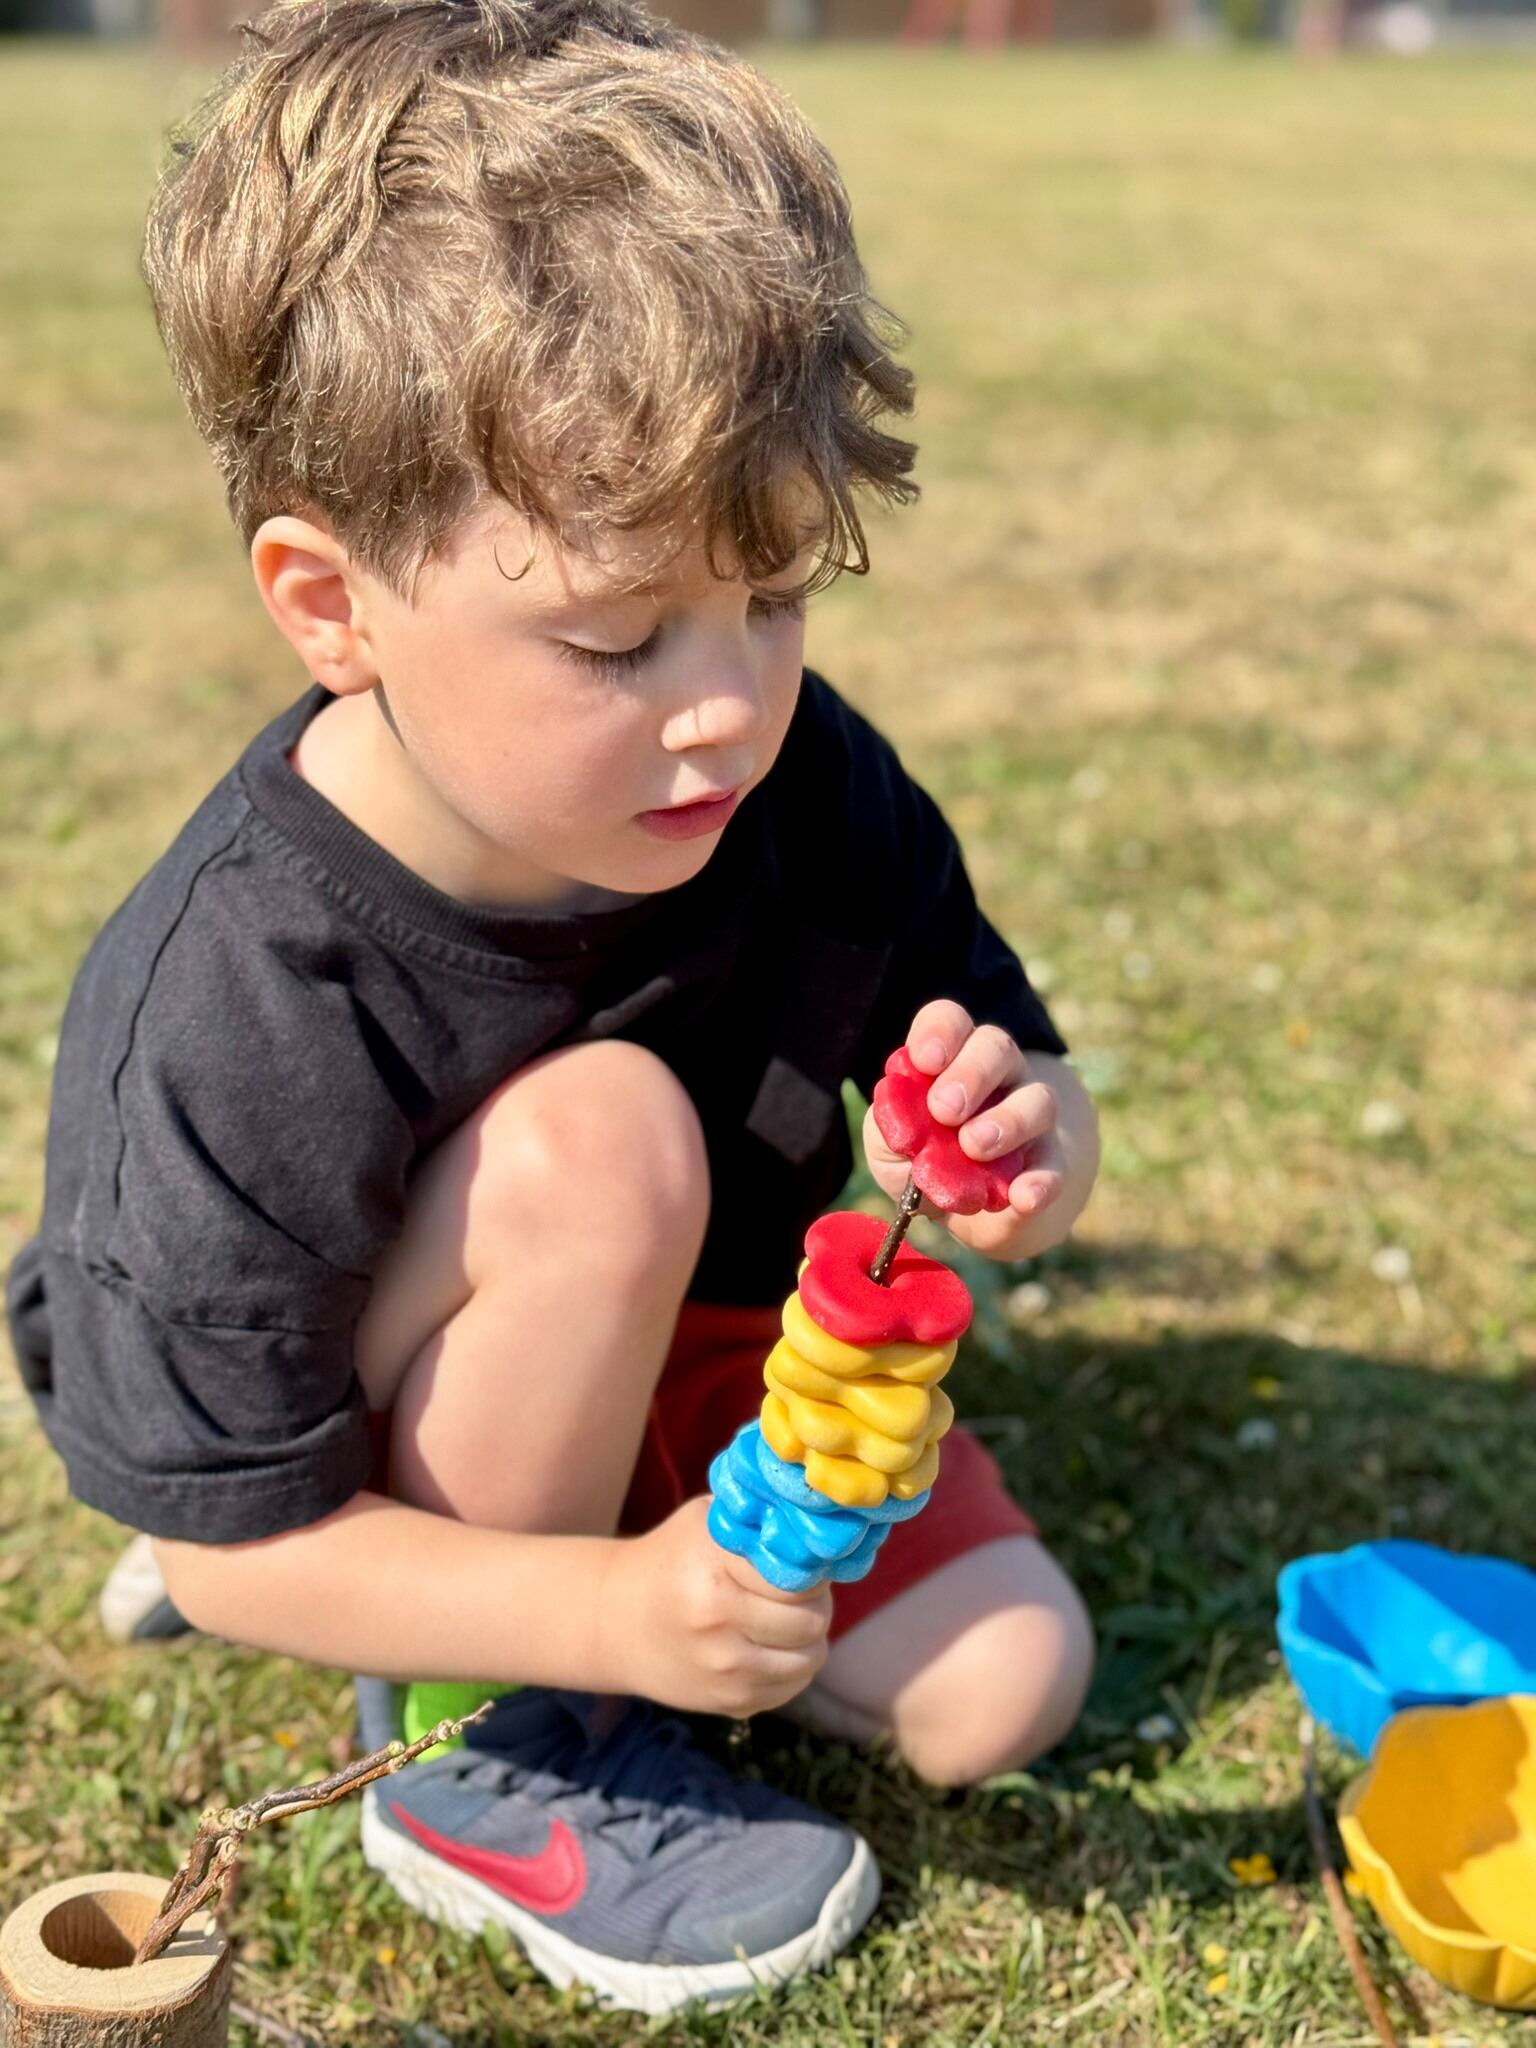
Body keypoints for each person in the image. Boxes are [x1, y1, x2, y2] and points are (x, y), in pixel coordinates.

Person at [4, 0, 1099, 2015]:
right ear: (332, 605)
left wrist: (1026, 1135)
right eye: (616, 632)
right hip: (384, 1391)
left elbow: (1013, 1052)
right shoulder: (242, 993)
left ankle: (635, 1591)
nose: (727, 701)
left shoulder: (794, 779)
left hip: (716, 1359)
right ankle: (493, 1733)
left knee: (1006, 1687)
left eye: (774, 595)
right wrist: (602, 1611)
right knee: (603, 1138)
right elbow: (246, 1547)